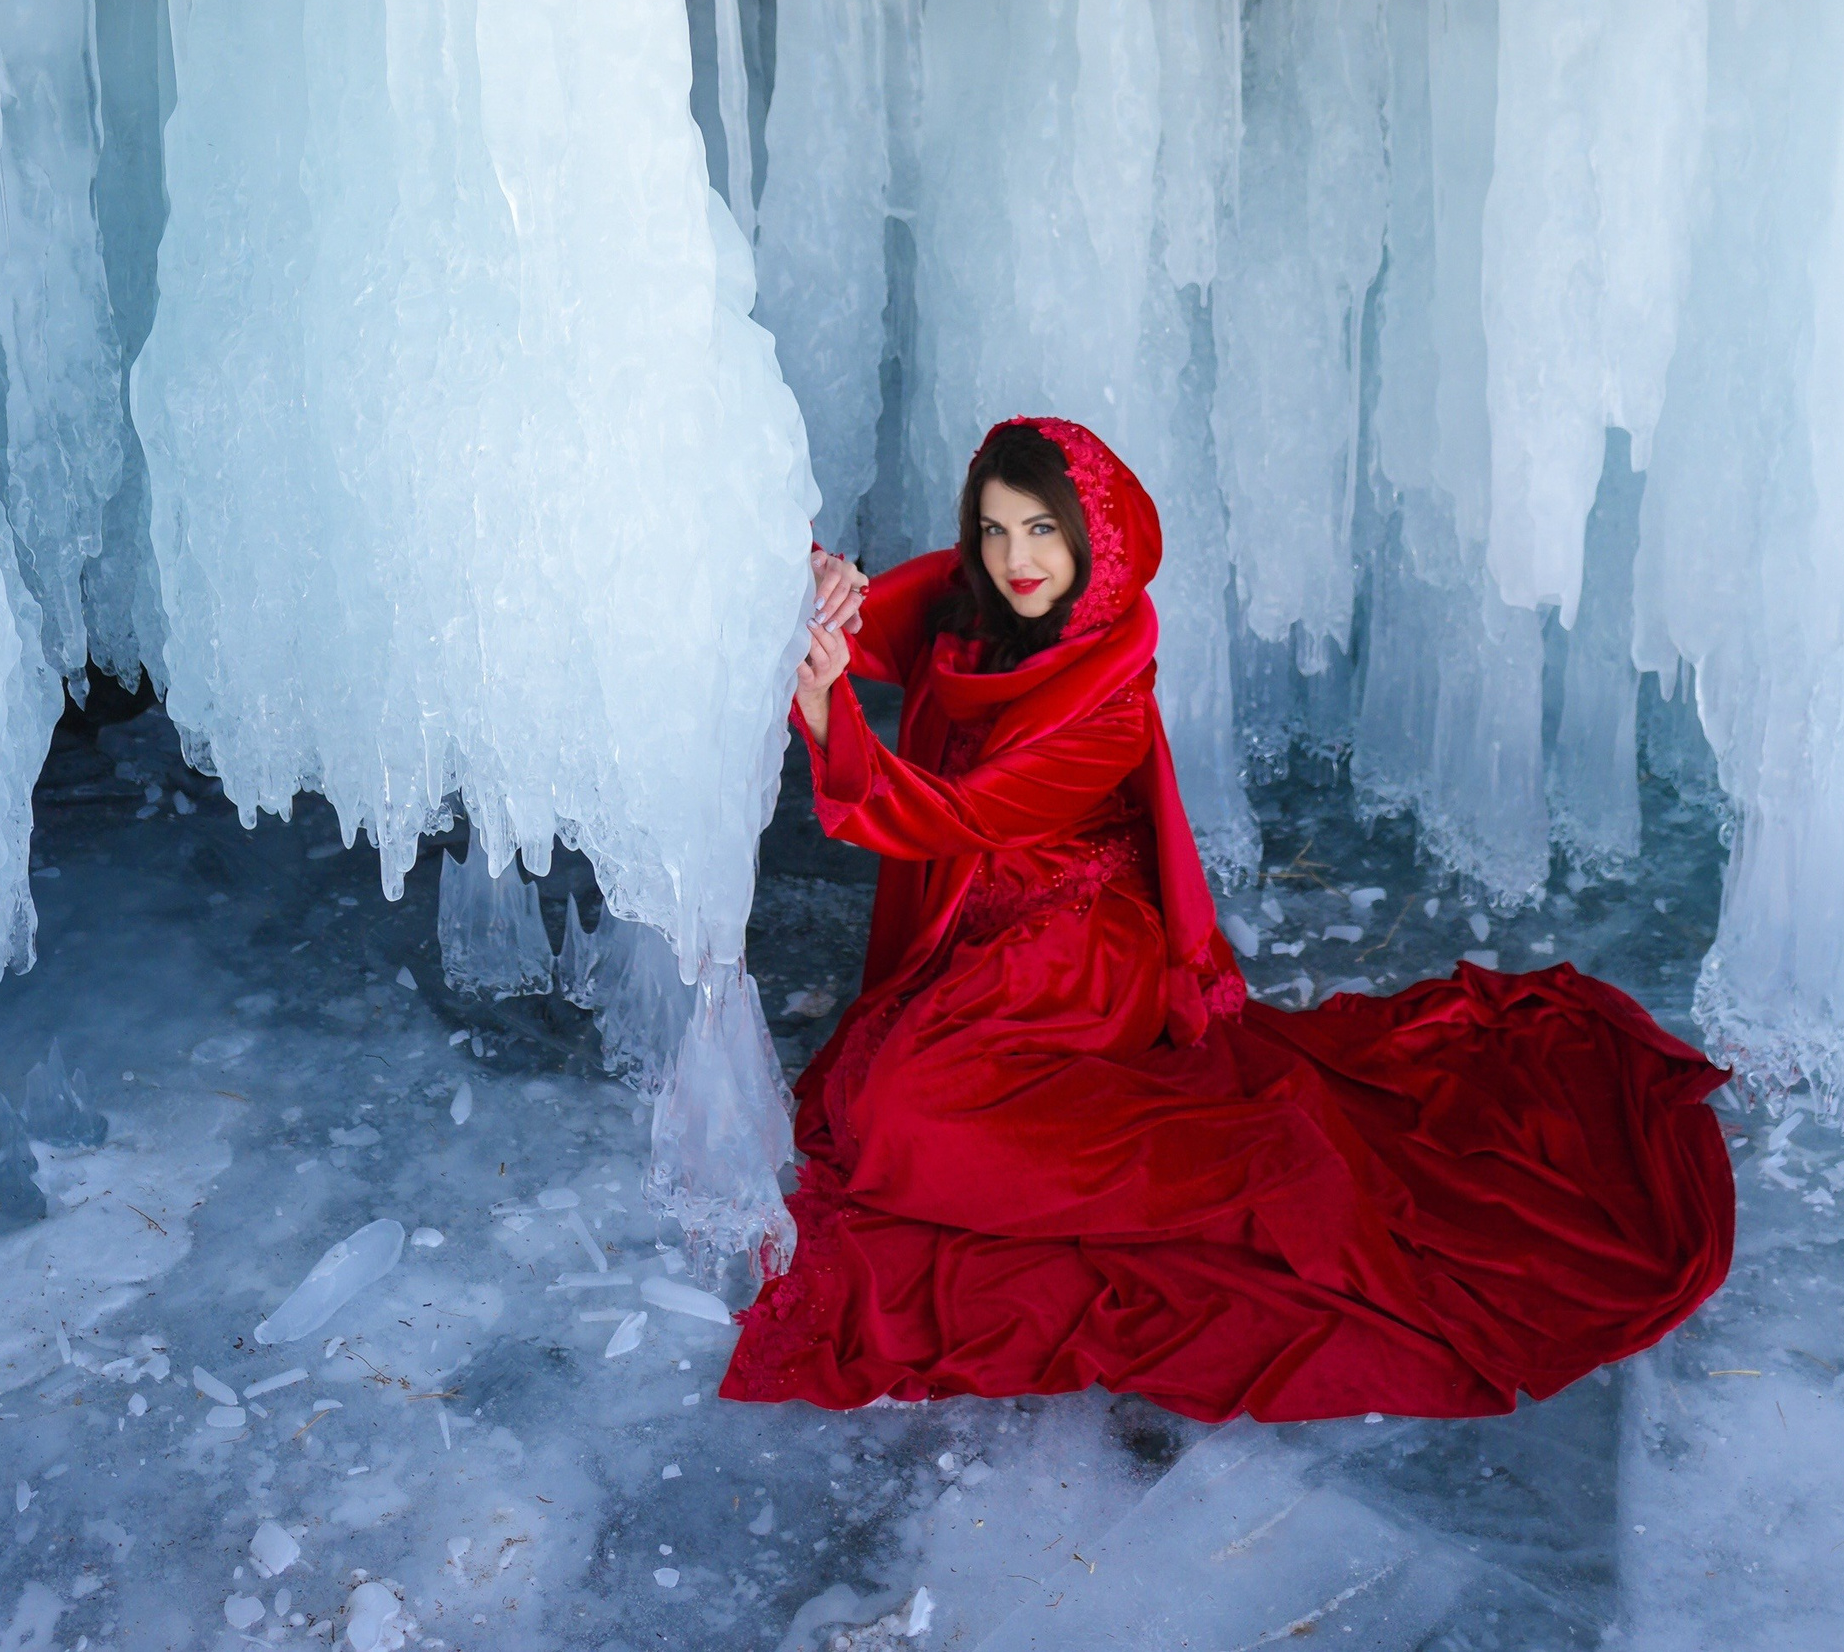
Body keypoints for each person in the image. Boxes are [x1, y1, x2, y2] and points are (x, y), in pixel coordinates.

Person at [722, 414, 1735, 1421]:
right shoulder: (979, 599)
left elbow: (958, 816)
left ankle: (1263, 1174)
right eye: (992, 530)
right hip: (981, 931)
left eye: (1040, 529)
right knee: (882, 1111)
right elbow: (885, 627)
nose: (1015, 557)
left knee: (898, 1118)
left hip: (1073, 947)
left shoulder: (1108, 697)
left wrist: (830, 718)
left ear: (1090, 533)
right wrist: (826, 591)